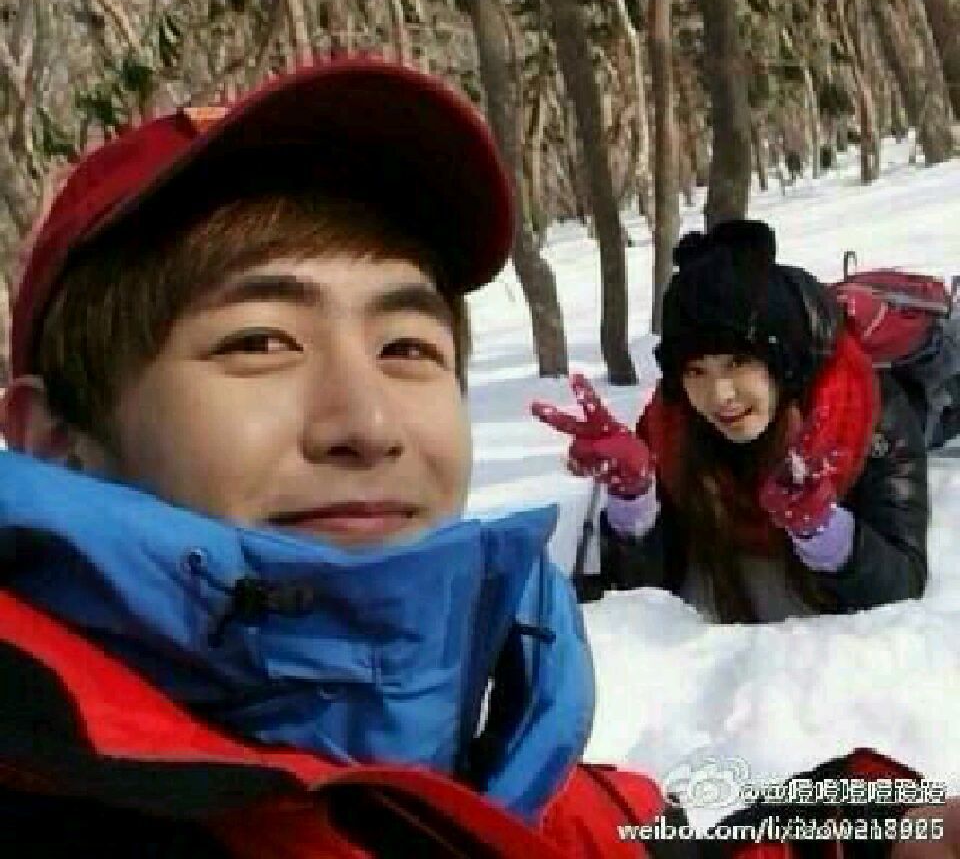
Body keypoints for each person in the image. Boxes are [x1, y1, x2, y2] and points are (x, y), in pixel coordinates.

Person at [0, 58, 939, 858]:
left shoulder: (486, 769)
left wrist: (870, 818)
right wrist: (636, 503)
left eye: (407, 347)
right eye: (259, 342)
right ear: (56, 442)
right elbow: (653, 588)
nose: (369, 421)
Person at [534, 219, 929, 623]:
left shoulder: (867, 415)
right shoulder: (671, 427)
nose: (720, 395)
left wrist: (823, 530)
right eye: (695, 371)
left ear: (782, 363)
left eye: (738, 363)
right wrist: (633, 501)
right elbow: (647, 598)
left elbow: (904, 585)